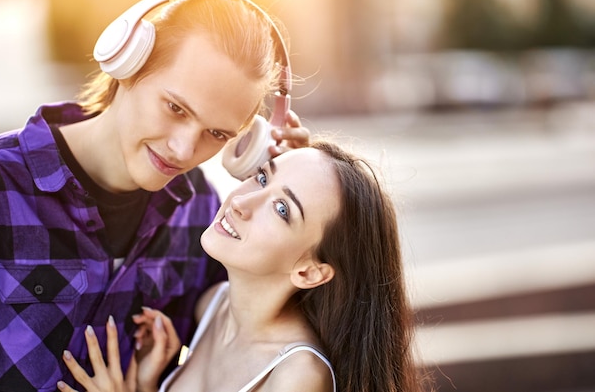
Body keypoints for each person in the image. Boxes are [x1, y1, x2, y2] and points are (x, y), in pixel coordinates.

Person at [0, 0, 309, 392]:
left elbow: (260, 317)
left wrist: (293, 180)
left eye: (217, 133)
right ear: (127, 62)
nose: (184, 150)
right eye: (175, 108)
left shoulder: (200, 210)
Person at [58, 140, 421, 392]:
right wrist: (145, 385)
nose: (242, 201)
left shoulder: (296, 375)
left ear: (310, 272)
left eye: (281, 210)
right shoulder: (213, 305)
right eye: (263, 176)